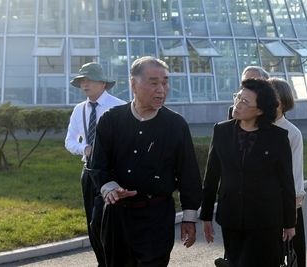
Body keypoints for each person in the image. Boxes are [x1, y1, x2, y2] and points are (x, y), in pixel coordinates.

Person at [89, 56, 203, 266]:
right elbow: (98, 166)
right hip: (117, 217)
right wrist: (110, 188)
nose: (161, 89)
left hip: (156, 218)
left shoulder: (175, 125)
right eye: (153, 83)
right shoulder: (111, 120)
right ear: (133, 83)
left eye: (165, 82)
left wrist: (189, 217)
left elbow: (189, 174)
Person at [201, 78, 296, 267]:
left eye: (245, 102)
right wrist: (206, 215)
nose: (237, 104)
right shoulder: (221, 131)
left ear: (260, 110)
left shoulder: (277, 138)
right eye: (238, 97)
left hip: (265, 219)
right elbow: (212, 175)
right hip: (231, 217)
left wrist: (290, 222)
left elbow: (286, 182)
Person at [64, 62, 126, 266]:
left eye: (88, 80)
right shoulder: (79, 109)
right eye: (81, 81)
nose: (84, 84)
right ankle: (103, 262)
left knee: (103, 219)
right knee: (92, 223)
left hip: (112, 173)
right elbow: (70, 141)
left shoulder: (119, 106)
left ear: (102, 83)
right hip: (88, 172)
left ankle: (114, 260)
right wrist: (84, 149)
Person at [269, 77, 306, 267]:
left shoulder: (292, 133)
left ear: (282, 102)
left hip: (285, 209)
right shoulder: (253, 126)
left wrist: (291, 217)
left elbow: (295, 177)